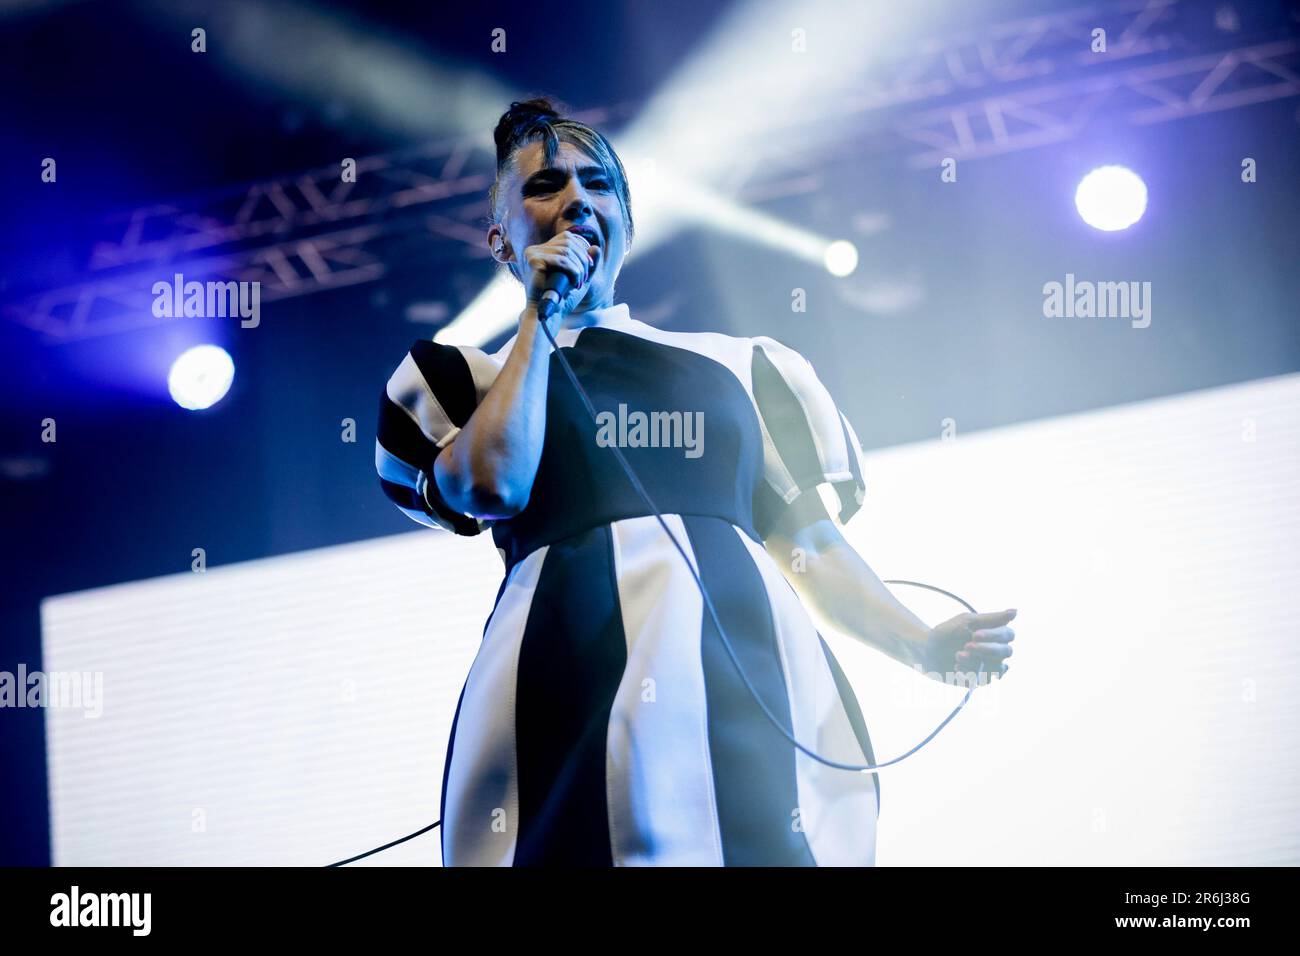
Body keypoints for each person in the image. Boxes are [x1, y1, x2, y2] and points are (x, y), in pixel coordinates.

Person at [375, 98, 1016, 866]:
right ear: (500, 241)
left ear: (628, 222)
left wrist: (920, 645)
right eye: (546, 185)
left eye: (599, 183)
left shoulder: (744, 364)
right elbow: (492, 487)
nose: (577, 198)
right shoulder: (461, 376)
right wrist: (539, 321)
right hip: (565, 670)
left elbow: (810, 546)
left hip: (746, 667)